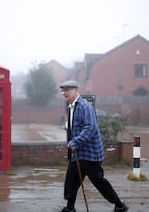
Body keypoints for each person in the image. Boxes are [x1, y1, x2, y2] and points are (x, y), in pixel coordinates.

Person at [59, 80, 128, 212]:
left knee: (99, 182)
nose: (64, 93)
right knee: (72, 181)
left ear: (76, 90)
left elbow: (90, 128)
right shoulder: (72, 106)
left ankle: (120, 206)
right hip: (78, 154)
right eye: (63, 90)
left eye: (67, 89)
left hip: (90, 155)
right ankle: (70, 208)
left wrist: (74, 142)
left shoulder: (85, 106)